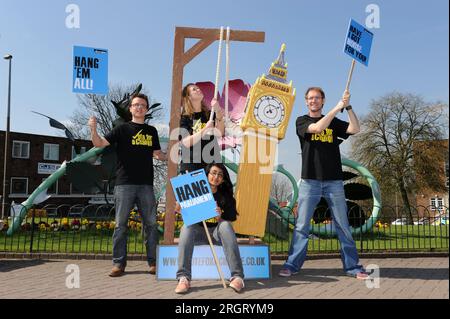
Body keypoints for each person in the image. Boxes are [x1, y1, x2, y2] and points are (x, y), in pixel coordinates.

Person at [279, 87, 369, 279]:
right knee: (302, 226)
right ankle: (292, 265)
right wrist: (337, 108)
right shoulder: (301, 121)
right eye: (311, 98)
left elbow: (355, 129)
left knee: (343, 226)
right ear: (306, 101)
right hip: (310, 181)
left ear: (322, 100)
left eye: (317, 98)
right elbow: (317, 128)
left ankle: (353, 267)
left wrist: (349, 106)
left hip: (334, 181)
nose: (314, 101)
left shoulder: (334, 122)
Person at [89, 93, 167, 277]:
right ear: (131, 108)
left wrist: (173, 154)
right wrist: (93, 129)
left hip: (146, 184)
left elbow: (158, 154)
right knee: (120, 225)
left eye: (143, 105)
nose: (139, 107)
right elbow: (99, 143)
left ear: (146, 110)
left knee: (151, 224)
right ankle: (118, 264)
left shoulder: (151, 131)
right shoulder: (121, 129)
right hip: (124, 184)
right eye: (136, 104)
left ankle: (153, 263)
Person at [174, 163, 245, 294]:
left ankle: (237, 277)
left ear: (223, 179)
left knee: (225, 225)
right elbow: (181, 211)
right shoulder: (195, 190)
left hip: (216, 233)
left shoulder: (226, 197)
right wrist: (179, 207)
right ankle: (183, 278)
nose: (216, 177)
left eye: (220, 175)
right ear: (207, 175)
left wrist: (220, 217)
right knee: (187, 226)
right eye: (213, 173)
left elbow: (231, 217)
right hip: (198, 232)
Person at [178, 83, 225, 173]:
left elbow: (220, 133)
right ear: (188, 97)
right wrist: (205, 129)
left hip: (211, 165)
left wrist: (218, 110)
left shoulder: (209, 114)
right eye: (194, 89)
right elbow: (186, 142)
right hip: (191, 165)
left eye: (198, 88)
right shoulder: (183, 118)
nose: (198, 90)